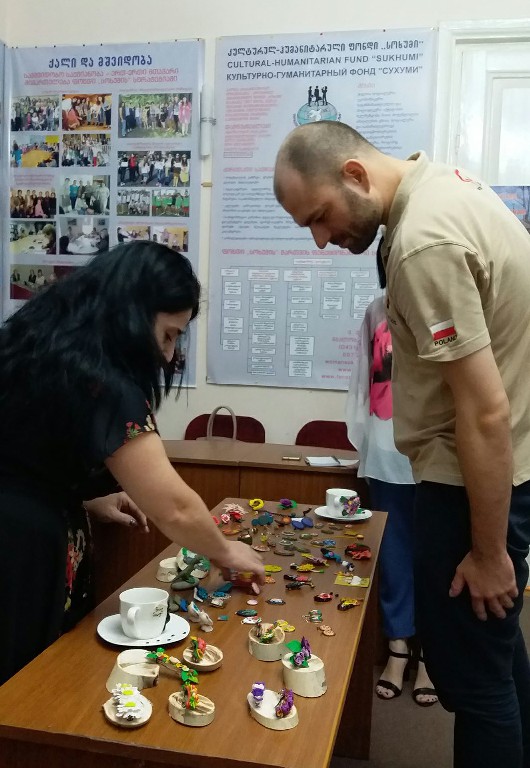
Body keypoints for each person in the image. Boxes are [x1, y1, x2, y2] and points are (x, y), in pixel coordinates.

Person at [273, 121, 530, 768]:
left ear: (355, 175)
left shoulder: (421, 243)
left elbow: (484, 411)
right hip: (500, 471)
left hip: (472, 482)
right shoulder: (449, 186)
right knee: (498, 661)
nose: (321, 239)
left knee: (476, 688)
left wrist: (488, 551)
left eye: (320, 217)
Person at [0, 242, 265, 686]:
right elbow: (174, 507)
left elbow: (29, 454)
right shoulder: (104, 380)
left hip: (23, 526)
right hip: (20, 550)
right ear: (133, 315)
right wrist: (224, 550)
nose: (169, 355)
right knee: (26, 683)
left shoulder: (41, 343)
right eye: (168, 335)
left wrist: (85, 499)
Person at [346, 251, 437, 707]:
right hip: (386, 452)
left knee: (438, 558)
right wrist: (363, 445)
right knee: (395, 556)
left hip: (439, 457)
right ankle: (399, 648)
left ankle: (432, 656)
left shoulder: (445, 304)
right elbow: (363, 381)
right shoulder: (375, 311)